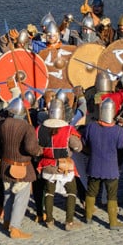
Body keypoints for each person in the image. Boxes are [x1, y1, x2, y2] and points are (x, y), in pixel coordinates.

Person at [0, 97, 42, 239]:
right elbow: (31, 148)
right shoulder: (26, 127)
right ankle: (15, 228)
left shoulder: (3, 124)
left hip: (6, 164)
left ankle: (6, 221)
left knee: (8, 193)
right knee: (21, 197)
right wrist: (39, 150)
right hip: (21, 167)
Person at [36, 98, 83, 230]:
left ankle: (49, 220)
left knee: (49, 192)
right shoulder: (68, 129)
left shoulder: (40, 129)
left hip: (47, 165)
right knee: (72, 191)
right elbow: (77, 147)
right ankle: (69, 222)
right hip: (64, 166)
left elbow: (37, 148)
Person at [83, 98, 123, 230]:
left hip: (94, 166)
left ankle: (88, 217)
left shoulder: (91, 126)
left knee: (91, 192)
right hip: (111, 168)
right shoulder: (118, 131)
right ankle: (113, 222)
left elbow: (84, 141)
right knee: (112, 195)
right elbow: (121, 145)